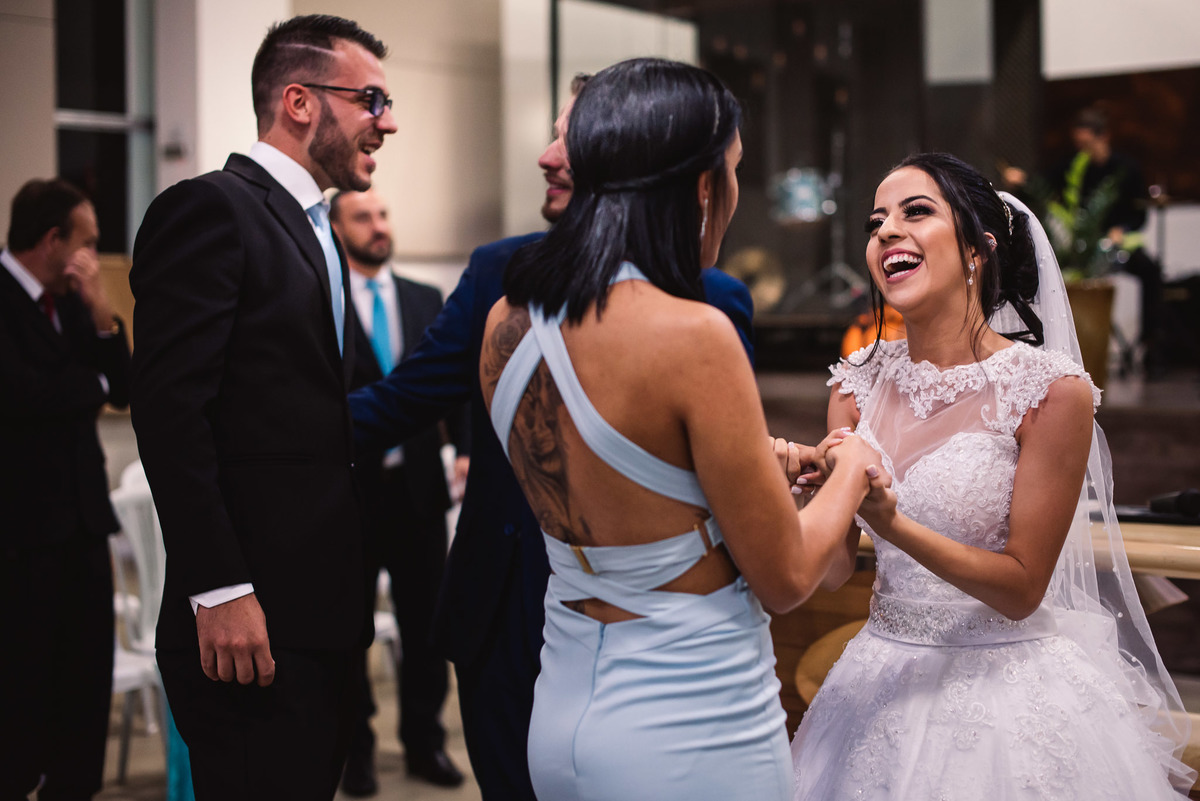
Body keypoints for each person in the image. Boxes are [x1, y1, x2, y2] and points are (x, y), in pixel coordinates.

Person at [480, 57, 884, 801]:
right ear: (703, 186)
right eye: (732, 171)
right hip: (689, 727)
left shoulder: (507, 323)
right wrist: (855, 463)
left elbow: (610, 481)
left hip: (562, 708)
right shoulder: (691, 334)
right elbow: (789, 577)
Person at [349, 71, 756, 800]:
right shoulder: (497, 278)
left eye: (571, 135)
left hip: (655, 634)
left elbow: (723, 481)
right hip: (501, 619)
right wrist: (252, 437)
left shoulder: (711, 301)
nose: (549, 155)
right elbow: (396, 403)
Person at [789, 152, 1195, 800]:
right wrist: (817, 496)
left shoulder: (1050, 391)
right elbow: (835, 570)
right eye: (876, 222)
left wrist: (888, 518)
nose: (887, 231)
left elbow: (1022, 588)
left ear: (977, 248)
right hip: (878, 672)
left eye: (916, 212)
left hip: (1003, 691)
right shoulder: (854, 384)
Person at [129, 15, 397, 800]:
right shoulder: (212, 209)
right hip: (246, 624)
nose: (388, 121)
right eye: (372, 99)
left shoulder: (315, 230)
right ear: (300, 101)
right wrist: (218, 587)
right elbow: (171, 412)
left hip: (320, 619)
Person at [330, 188, 467, 793]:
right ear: (337, 232)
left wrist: (464, 447)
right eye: (363, 218)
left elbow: (456, 379)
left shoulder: (423, 297)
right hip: (348, 493)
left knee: (426, 623)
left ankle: (424, 743)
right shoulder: (322, 302)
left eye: (382, 215)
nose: (379, 227)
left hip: (416, 488)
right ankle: (355, 750)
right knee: (347, 627)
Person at [0, 178, 129, 800]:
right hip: (19, 537)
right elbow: (24, 396)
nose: (92, 254)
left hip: (82, 526)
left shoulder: (75, 299)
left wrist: (103, 309)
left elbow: (126, 386)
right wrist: (94, 387)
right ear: (53, 240)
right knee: (21, 695)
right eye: (88, 242)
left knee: (84, 691)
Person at [1004, 107, 1165, 371]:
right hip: (1079, 251)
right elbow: (1041, 188)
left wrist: (1120, 229)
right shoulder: (1073, 166)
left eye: (1087, 143)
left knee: (1151, 270)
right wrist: (1022, 181)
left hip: (1116, 245)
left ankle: (1151, 345)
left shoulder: (1126, 169)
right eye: (1079, 144)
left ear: (1104, 137)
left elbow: (1140, 216)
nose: (1083, 150)